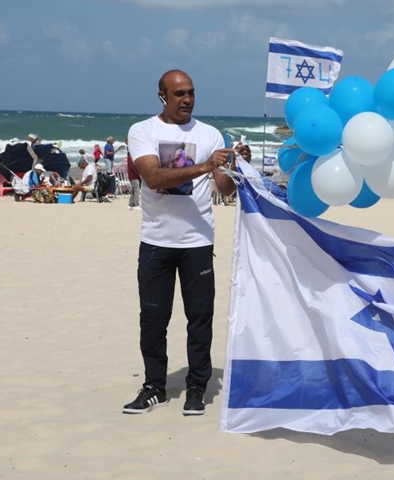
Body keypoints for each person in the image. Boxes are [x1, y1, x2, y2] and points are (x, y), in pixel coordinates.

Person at [122, 69, 247, 416]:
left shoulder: (209, 134)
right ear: (162, 95)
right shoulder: (143, 131)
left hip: (197, 242)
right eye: (179, 94)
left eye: (191, 93)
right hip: (156, 241)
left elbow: (224, 189)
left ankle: (196, 388)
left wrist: (236, 167)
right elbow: (152, 175)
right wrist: (206, 165)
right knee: (153, 319)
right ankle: (154, 387)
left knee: (200, 319)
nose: (187, 100)